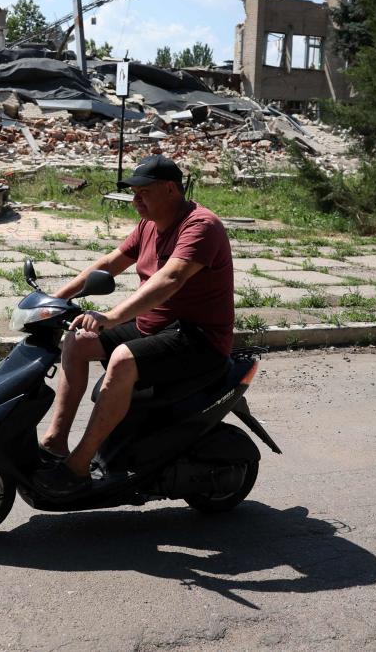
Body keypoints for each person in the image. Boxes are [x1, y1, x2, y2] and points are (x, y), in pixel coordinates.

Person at [33, 154, 234, 497]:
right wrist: (54, 300)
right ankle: (55, 440)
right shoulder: (149, 223)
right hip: (155, 328)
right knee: (77, 341)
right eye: (133, 192)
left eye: (143, 191)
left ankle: (79, 466)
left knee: (123, 360)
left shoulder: (201, 226)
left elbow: (170, 278)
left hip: (198, 338)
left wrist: (110, 317)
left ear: (170, 189)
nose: (135, 199)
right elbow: (109, 263)